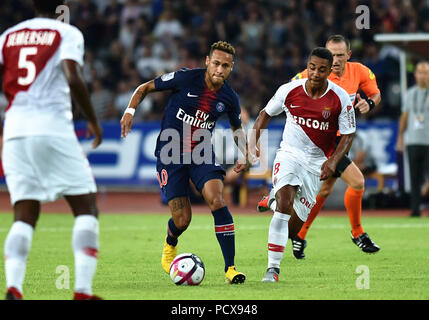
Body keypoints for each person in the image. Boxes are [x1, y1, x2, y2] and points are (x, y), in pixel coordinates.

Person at [120, 41, 249, 284]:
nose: (220, 69)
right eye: (217, 63)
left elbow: (237, 128)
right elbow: (145, 87)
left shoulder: (229, 98)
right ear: (207, 61)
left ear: (231, 68)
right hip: (170, 153)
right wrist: (130, 112)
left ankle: (230, 269)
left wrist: (245, 153)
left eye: (226, 66)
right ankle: (170, 245)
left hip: (201, 153)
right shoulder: (185, 78)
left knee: (217, 200)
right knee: (182, 220)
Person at [0, 0, 103, 300]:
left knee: (24, 212)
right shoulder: (66, 33)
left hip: (15, 131)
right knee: (86, 206)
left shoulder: (8, 36)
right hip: (52, 127)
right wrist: (93, 120)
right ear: (62, 5)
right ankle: (82, 291)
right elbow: (72, 75)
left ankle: (13, 287)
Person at [257, 35, 381, 258]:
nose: (334, 60)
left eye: (340, 55)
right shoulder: (313, 74)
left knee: (324, 189)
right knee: (358, 181)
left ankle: (300, 235)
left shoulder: (360, 71)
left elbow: (375, 93)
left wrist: (368, 103)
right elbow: (289, 91)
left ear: (348, 56)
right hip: (321, 142)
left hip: (339, 140)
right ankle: (357, 232)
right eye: (331, 54)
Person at [249, 47, 356, 282]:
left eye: (321, 69)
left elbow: (348, 134)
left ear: (329, 71)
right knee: (284, 206)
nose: (315, 73)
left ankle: (273, 199)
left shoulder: (340, 98)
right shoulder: (289, 91)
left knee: (292, 230)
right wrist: (251, 145)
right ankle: (272, 270)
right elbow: (264, 114)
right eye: (312, 68)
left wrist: (333, 161)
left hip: (316, 164)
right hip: (290, 154)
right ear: (307, 67)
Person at [396, 61, 429, 217]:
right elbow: (405, 116)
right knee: (414, 178)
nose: (422, 76)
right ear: (415, 74)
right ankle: (415, 210)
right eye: (420, 72)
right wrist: (400, 138)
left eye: (425, 72)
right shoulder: (410, 94)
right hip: (413, 140)